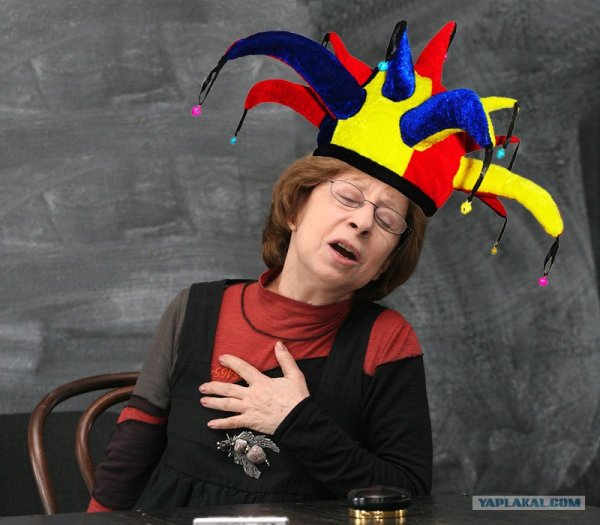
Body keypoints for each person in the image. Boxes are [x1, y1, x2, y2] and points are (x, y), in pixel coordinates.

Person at [88, 20, 563, 512]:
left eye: (387, 219)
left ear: (386, 263)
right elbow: (129, 456)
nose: (362, 222)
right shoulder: (193, 309)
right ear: (295, 208)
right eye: (348, 197)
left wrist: (296, 420)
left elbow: (408, 496)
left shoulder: (387, 341)